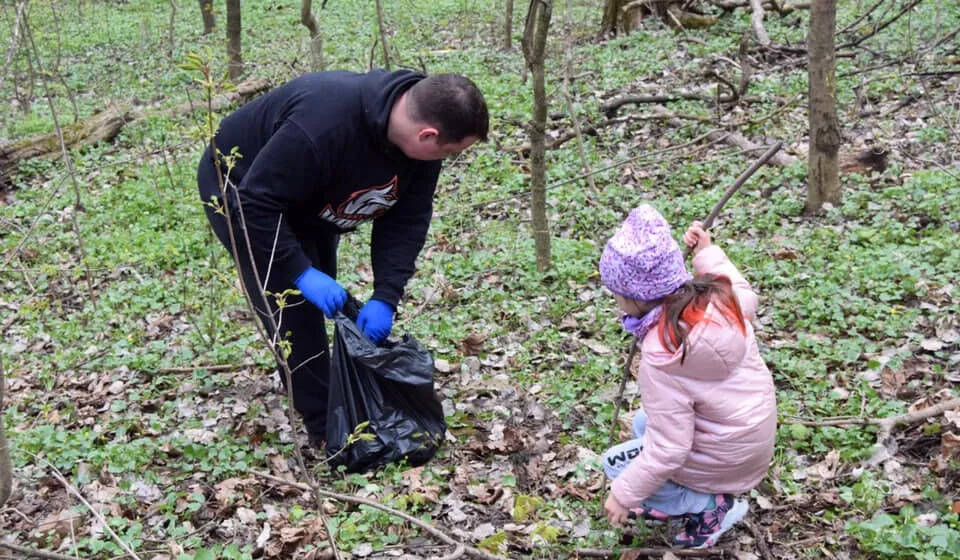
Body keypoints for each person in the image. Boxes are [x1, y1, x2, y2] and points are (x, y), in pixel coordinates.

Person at [196, 69, 488, 446]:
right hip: (243, 190)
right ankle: (328, 431)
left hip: (310, 200)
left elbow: (406, 221)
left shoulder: (421, 152)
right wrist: (301, 272)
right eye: (451, 152)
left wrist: (386, 295)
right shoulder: (323, 125)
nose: (449, 159)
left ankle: (336, 396)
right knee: (294, 307)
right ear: (427, 135)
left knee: (325, 304)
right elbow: (255, 205)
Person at [597, 205, 777, 548]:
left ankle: (713, 506)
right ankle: (694, 488)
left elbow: (669, 450)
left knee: (623, 471)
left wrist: (623, 495)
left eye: (617, 294)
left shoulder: (664, 355)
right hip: (747, 440)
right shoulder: (720, 299)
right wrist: (707, 252)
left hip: (725, 460)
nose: (616, 300)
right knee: (643, 422)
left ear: (636, 298)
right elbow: (740, 284)